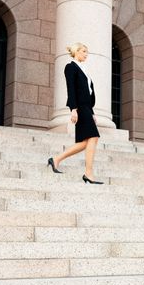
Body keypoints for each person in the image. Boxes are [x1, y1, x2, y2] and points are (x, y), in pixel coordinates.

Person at [47, 42, 103, 184]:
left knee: (86, 142)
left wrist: (92, 112)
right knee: (93, 137)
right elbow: (71, 89)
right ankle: (88, 174)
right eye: (84, 51)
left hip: (86, 109)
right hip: (79, 108)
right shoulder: (70, 67)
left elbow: (88, 93)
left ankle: (56, 159)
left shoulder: (83, 69)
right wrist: (73, 109)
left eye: (86, 52)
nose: (86, 54)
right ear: (76, 52)